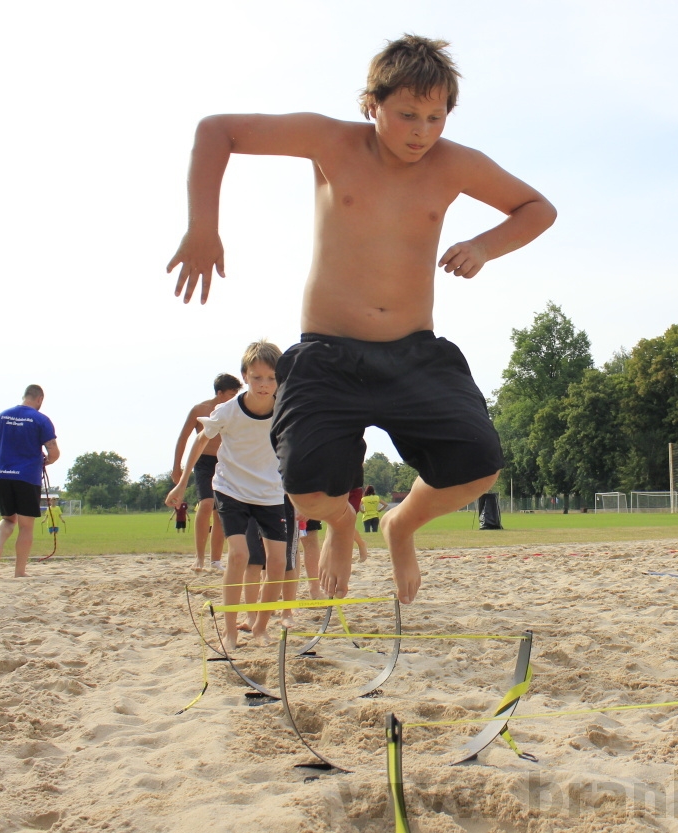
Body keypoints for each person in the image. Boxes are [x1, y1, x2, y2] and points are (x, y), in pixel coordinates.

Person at [167, 35, 556, 604]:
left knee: (479, 467)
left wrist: (484, 246)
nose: (422, 131)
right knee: (303, 490)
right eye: (407, 115)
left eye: (436, 117)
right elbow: (215, 131)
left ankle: (400, 524)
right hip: (329, 353)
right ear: (373, 103)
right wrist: (203, 227)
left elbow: (538, 208)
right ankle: (342, 521)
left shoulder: (456, 164)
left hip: (414, 352)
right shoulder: (330, 141)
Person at [167, 341, 291, 651]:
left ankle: (260, 626)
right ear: (245, 376)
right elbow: (200, 440)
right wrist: (182, 482)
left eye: (271, 378)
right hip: (231, 489)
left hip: (270, 492)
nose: (264, 385)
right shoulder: (228, 410)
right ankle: (230, 631)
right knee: (239, 555)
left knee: (277, 563)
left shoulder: (285, 408)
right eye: (256, 377)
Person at [0, 384, 60, 577]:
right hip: (27, 476)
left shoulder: (2, 416)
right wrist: (47, 460)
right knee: (26, 526)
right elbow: (53, 451)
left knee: (8, 519)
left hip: (2, 474)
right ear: (39, 399)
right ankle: (19, 571)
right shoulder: (41, 420)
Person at [172, 374, 242, 572]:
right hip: (203, 462)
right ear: (219, 393)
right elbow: (183, 438)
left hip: (226, 462)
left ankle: (215, 560)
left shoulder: (235, 410)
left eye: (236, 394)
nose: (234, 398)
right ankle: (199, 557)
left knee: (221, 511)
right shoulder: (199, 410)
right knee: (206, 504)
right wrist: (177, 467)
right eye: (231, 394)